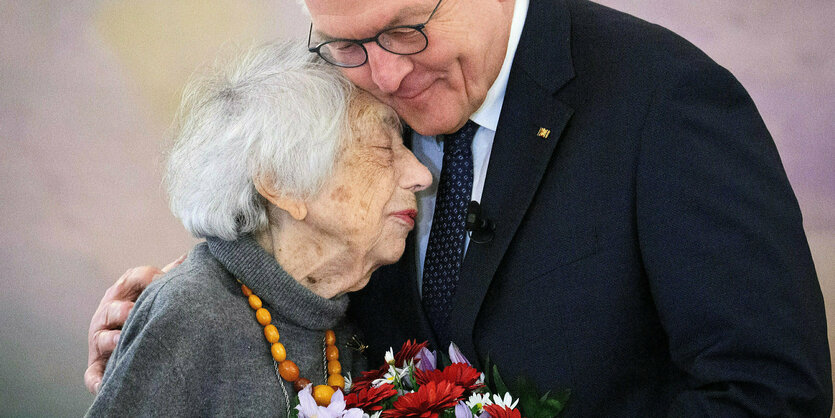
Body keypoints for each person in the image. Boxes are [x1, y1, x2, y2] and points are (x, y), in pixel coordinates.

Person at [87, 0, 832, 415]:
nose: (382, 72)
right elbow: (296, 278)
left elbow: (771, 397)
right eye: (346, 43)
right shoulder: (348, 93)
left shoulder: (663, 99)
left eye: (406, 28)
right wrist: (167, 344)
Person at [86, 40, 431, 416]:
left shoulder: (338, 325)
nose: (421, 175)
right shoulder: (192, 313)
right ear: (281, 184)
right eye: (384, 149)